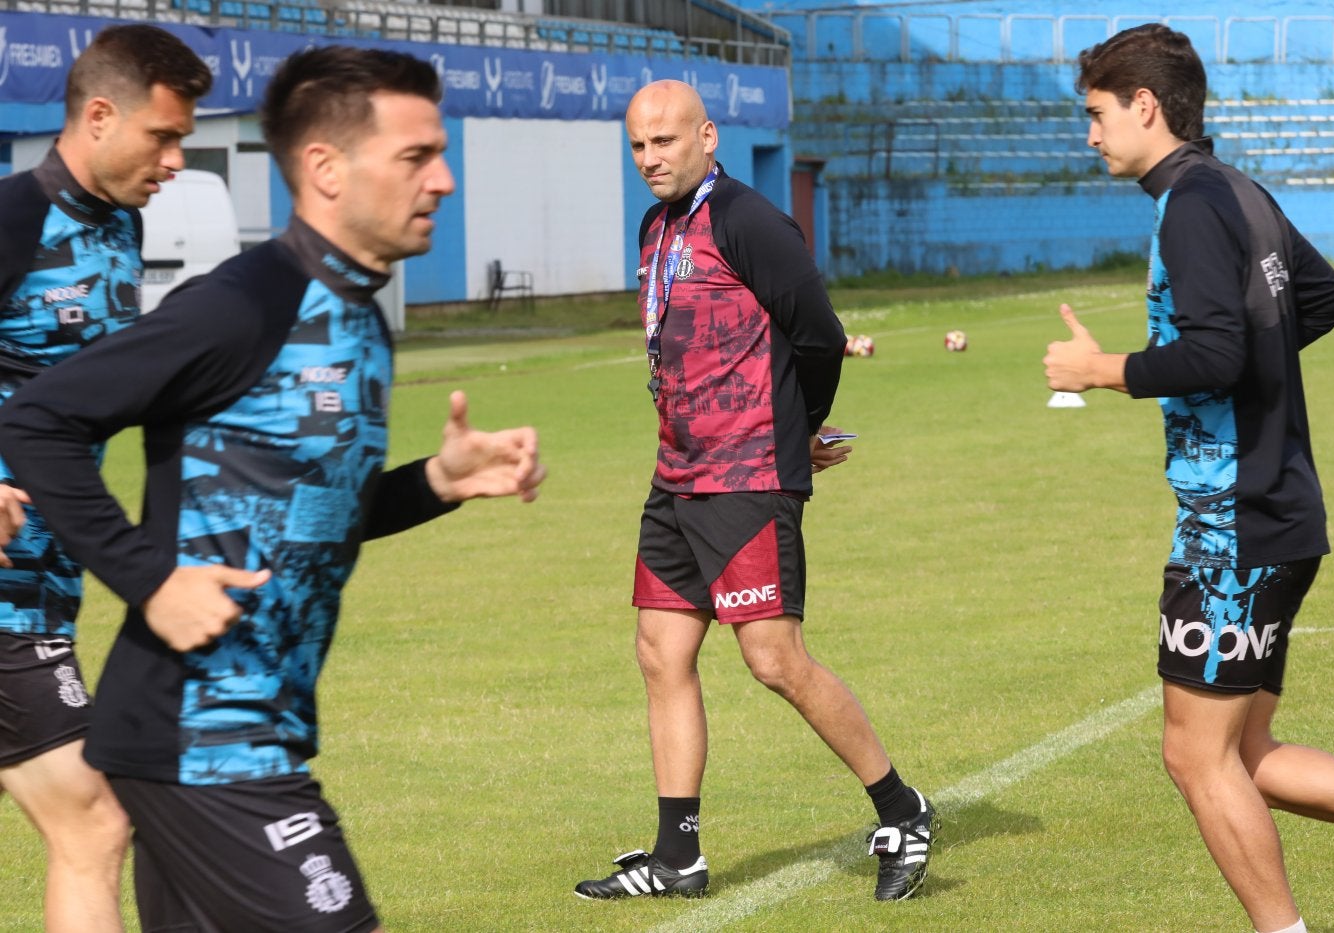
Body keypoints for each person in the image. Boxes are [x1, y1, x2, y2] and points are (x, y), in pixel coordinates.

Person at [0, 46, 546, 932]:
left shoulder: (359, 318)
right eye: (415, 156)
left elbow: (310, 517)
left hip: (250, 733)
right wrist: (151, 579)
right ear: (325, 167)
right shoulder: (244, 302)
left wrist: (439, 482)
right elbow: (37, 421)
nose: (443, 180)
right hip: (201, 739)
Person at [1043, 24, 1334, 933]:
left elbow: (1212, 350)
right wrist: (1257, 371)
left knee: (1196, 759)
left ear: (1145, 105)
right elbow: (1321, 298)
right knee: (1244, 748)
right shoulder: (1236, 188)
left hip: (1232, 528)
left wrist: (1103, 370)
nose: (1090, 134)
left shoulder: (1193, 205)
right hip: (1275, 510)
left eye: (1096, 114)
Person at [574, 79, 934, 904]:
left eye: (664, 141)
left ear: (707, 137)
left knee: (774, 659)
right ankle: (678, 855)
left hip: (749, 474)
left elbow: (819, 335)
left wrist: (801, 428)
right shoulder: (657, 226)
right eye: (637, 144)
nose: (649, 158)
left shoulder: (749, 221)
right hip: (677, 474)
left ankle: (901, 807)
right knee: (660, 654)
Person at [0, 24, 211, 932]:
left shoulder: (120, 224)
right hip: (3, 596)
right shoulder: (12, 217)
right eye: (162, 137)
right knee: (95, 817)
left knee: (91, 822)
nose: (174, 161)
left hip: (50, 588)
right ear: (97, 116)